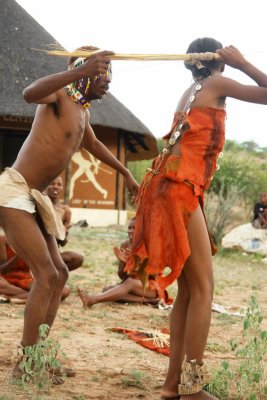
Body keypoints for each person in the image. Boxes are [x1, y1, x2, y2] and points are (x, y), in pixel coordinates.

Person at [125, 38, 267, 400]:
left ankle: (173, 387)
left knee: (188, 292)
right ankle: (191, 388)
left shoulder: (191, 89)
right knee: (204, 289)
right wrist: (244, 63)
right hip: (177, 188)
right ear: (218, 60)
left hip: (165, 186)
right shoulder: (216, 83)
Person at [0, 45, 139, 379]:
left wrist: (127, 173)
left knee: (59, 273)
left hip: (36, 198)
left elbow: (93, 145)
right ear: (86, 71)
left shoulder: (82, 112)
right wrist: (79, 70)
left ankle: (39, 354)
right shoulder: (59, 96)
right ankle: (25, 364)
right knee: (47, 275)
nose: (107, 82)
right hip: (14, 190)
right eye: (102, 74)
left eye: (109, 75)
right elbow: (29, 92)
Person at [78, 217, 172, 306]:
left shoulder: (152, 245)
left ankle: (92, 300)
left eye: (134, 228)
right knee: (107, 289)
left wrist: (138, 264)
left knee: (129, 283)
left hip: (152, 287)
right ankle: (149, 301)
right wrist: (124, 263)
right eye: (129, 228)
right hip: (133, 285)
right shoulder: (125, 245)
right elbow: (122, 276)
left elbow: (154, 276)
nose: (130, 231)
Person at [46, 176, 84, 271]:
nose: (56, 187)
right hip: (35, 253)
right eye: (52, 183)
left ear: (62, 188)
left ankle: (55, 278)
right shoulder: (37, 205)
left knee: (78, 258)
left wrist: (64, 231)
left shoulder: (65, 210)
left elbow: (63, 243)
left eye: (59, 185)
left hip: (53, 254)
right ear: (45, 185)